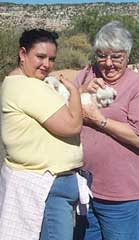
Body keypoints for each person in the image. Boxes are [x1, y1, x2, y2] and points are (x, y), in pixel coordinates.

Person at [73, 21, 139, 240]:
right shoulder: (87, 75)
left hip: (121, 196)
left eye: (115, 56)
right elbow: (60, 93)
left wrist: (99, 120)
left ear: (127, 56)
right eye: (102, 55)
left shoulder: (138, 87)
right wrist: (79, 90)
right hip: (87, 190)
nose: (108, 63)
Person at [0, 29, 83, 239]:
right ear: (22, 53)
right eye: (40, 57)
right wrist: (75, 93)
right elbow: (72, 126)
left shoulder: (26, 83)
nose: (46, 64)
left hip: (45, 182)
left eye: (51, 59)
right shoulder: (26, 87)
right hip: (44, 184)